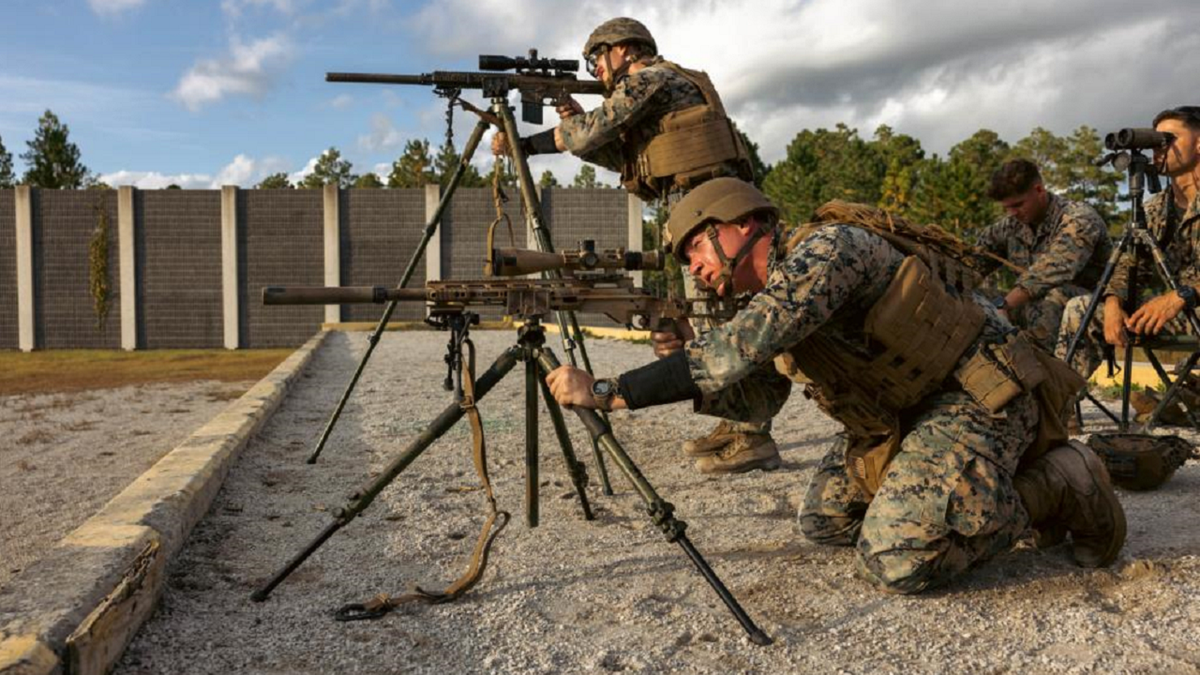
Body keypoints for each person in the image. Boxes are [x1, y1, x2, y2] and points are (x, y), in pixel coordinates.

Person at [546, 178, 1125, 594]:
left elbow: (729, 354)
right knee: (827, 522)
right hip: (906, 411)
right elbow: (757, 396)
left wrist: (608, 389)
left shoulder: (825, 251)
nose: (692, 266)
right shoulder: (770, 298)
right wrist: (680, 362)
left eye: (696, 246)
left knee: (900, 557)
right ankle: (960, 488)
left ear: (741, 223)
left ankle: (1057, 482)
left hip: (977, 396)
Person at [494, 17, 776, 473]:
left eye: (597, 59)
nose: (596, 70)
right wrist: (574, 123)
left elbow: (593, 130)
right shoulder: (659, 91)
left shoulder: (653, 77)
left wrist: (528, 143)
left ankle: (754, 435)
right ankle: (736, 420)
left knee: (726, 322)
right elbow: (624, 159)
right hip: (699, 216)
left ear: (623, 49)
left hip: (715, 222)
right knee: (707, 323)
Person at [1056, 106, 1200, 380]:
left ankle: (1186, 393)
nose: (1159, 146)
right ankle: (1058, 413)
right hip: (1182, 317)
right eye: (1156, 139)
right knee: (1081, 309)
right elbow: (1129, 267)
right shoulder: (1156, 209)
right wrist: (1114, 303)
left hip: (1187, 305)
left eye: (1169, 139)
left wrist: (1183, 295)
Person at [973, 159, 1110, 352]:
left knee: (1056, 295)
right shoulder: (1009, 227)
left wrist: (1004, 305)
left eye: (1018, 204)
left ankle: (1050, 376)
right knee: (973, 298)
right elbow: (974, 261)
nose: (1012, 213)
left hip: (1090, 310)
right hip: (1035, 310)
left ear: (1039, 190)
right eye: (1006, 207)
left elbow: (1057, 267)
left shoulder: (1078, 217)